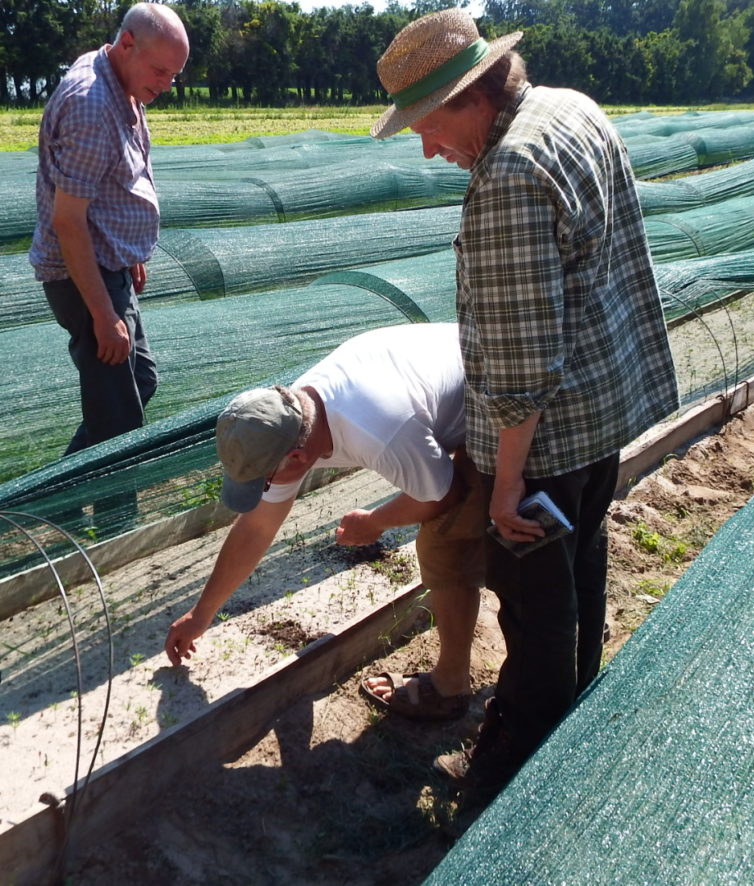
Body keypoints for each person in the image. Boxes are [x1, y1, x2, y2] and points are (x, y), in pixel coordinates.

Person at [373, 9, 679, 792]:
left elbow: (520, 356)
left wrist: (507, 483)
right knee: (580, 568)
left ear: (471, 94)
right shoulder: (570, 107)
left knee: (534, 612)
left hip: (546, 440)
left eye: (427, 123)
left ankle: (519, 776)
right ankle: (577, 711)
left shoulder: (507, 173)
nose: (426, 145)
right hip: (604, 408)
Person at [164, 323, 485, 721]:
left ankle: (451, 688)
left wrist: (376, 521)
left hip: (497, 387)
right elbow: (258, 526)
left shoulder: (379, 430)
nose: (266, 490)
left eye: (264, 480)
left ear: (297, 460)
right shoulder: (291, 418)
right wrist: (202, 613)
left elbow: (443, 495)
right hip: (445, 383)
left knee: (445, 545)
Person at [30, 3, 189, 456]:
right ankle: (112, 521)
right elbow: (68, 221)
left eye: (173, 75)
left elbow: (118, 179)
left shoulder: (121, 80)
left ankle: (59, 492)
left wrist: (129, 249)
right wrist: (103, 316)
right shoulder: (90, 105)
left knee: (138, 381)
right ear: (126, 45)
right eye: (159, 71)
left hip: (109, 263)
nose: (164, 85)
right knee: (119, 421)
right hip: (84, 277)